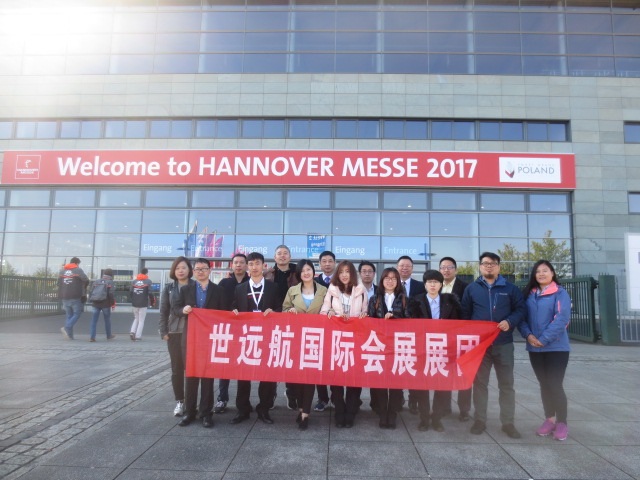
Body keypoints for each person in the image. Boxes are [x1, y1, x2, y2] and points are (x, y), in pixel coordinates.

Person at [461, 252, 526, 439]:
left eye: (493, 263)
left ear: (499, 266)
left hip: (503, 343)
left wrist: (510, 321)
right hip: (480, 346)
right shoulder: (472, 289)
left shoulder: (510, 288)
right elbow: (465, 314)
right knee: (480, 383)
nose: (489, 266)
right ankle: (479, 420)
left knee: (506, 384)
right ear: (480, 266)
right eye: (485, 263)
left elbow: (521, 309)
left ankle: (508, 422)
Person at [518, 260, 571, 441]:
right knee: (544, 384)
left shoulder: (560, 293)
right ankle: (550, 419)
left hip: (556, 347)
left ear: (552, 273)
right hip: (534, 348)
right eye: (538, 271)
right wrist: (528, 336)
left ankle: (562, 422)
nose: (541, 274)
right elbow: (521, 318)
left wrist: (543, 339)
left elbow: (562, 318)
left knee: (555, 383)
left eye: (545, 270)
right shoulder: (529, 294)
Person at [231, 251, 281, 425]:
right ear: (247, 267)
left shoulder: (273, 287)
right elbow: (234, 308)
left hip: (267, 337)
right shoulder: (240, 288)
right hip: (247, 337)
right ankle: (242, 409)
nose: (254, 267)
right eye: (251, 264)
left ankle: (264, 409)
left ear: (263, 265)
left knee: (266, 375)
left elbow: (280, 308)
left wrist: (274, 312)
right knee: (243, 375)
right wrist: (233, 311)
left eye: (257, 263)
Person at [174, 258, 223, 428]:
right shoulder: (186, 289)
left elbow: (223, 312)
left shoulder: (218, 290)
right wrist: (183, 310)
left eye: (203, 269)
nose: (200, 272)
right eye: (197, 269)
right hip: (191, 338)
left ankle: (206, 413)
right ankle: (190, 412)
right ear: (193, 272)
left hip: (210, 338)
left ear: (210, 270)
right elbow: (176, 308)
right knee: (191, 375)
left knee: (208, 377)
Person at [412, 270, 463, 432]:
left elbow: (457, 324)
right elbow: (411, 324)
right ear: (425, 284)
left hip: (444, 350)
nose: (432, 285)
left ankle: (437, 418)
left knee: (442, 385)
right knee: (422, 385)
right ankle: (424, 418)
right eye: (429, 282)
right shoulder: (416, 302)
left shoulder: (450, 302)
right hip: (422, 349)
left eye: (436, 282)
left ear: (441, 285)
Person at [320, 260, 368, 428]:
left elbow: (366, 312)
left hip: (356, 341)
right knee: (337, 379)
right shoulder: (332, 290)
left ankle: (351, 412)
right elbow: (323, 312)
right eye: (341, 272)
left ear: (352, 273)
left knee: (355, 379)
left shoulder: (361, 290)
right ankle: (339, 411)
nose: (344, 275)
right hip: (337, 341)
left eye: (347, 271)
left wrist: (364, 316)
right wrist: (331, 313)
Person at [282, 259, 328, 430]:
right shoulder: (292, 291)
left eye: (308, 270)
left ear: (313, 272)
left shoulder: (323, 290)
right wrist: (290, 311)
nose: (306, 273)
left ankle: (305, 414)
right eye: (302, 271)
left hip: (316, 340)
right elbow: (283, 310)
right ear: (299, 274)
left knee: (310, 378)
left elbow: (330, 308)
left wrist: (329, 312)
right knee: (297, 379)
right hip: (296, 340)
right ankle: (301, 408)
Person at [367, 267, 412, 429]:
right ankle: (382, 412)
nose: (390, 281)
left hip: (398, 345)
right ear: (382, 281)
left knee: (395, 381)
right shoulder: (374, 299)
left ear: (398, 281)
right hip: (379, 345)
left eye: (394, 278)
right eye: (387, 278)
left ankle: (392, 413)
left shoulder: (405, 299)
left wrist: (395, 318)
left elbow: (410, 321)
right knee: (379, 380)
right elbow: (370, 321)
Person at [214, 253, 249, 414]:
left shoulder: (252, 282)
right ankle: (222, 398)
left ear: (246, 265)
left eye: (242, 262)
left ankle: (244, 401)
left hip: (247, 331)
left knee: (244, 366)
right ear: (232, 265)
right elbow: (217, 305)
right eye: (236, 262)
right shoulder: (224, 283)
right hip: (227, 329)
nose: (239, 265)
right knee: (224, 366)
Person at [264, 244, 299, 410]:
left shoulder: (297, 273)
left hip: (293, 321)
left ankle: (291, 393)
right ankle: (270, 394)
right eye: (279, 253)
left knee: (292, 359)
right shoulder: (268, 274)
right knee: (272, 359)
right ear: (275, 257)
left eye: (285, 253)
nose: (282, 256)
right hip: (272, 321)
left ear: (290, 257)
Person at [158, 256, 193, 418]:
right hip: (174, 333)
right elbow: (163, 310)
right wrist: (163, 331)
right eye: (178, 268)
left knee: (191, 369)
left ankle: (192, 401)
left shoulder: (195, 286)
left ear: (189, 270)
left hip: (192, 333)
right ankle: (180, 400)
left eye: (184, 267)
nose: (180, 270)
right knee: (176, 369)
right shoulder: (169, 288)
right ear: (174, 270)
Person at [439, 256, 471, 421]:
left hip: (460, 337)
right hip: (441, 339)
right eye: (443, 267)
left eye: (449, 267)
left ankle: (464, 409)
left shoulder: (466, 288)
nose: (446, 270)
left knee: (463, 373)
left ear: (456, 270)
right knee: (444, 372)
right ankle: (444, 407)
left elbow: (467, 311)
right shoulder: (435, 285)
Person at [396, 255, 426, 413]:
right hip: (396, 334)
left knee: (414, 367)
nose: (404, 268)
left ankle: (413, 399)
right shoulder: (391, 285)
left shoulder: (420, 286)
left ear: (412, 269)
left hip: (415, 334)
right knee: (398, 366)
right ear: (397, 268)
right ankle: (399, 396)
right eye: (402, 265)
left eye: (408, 266)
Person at [313, 250, 336, 412]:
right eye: (324, 261)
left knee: (335, 364)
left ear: (335, 263)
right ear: (320, 264)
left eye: (330, 261)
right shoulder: (313, 282)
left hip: (337, 330)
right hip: (318, 330)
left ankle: (336, 397)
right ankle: (322, 398)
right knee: (318, 366)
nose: (327, 264)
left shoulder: (341, 281)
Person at [58, 256, 89, 340]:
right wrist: (83, 288)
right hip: (75, 295)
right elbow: (86, 280)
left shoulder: (62, 271)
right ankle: (67, 328)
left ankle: (69, 335)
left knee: (69, 315)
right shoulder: (78, 270)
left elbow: (58, 283)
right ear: (77, 263)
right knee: (77, 313)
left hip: (64, 295)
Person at [88, 268, 116, 342]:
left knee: (94, 320)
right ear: (111, 275)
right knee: (107, 320)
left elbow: (91, 291)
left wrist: (91, 300)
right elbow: (111, 294)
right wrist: (112, 303)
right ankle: (109, 335)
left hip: (95, 303)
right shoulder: (110, 282)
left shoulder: (96, 281)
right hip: (105, 304)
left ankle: (92, 337)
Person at [129, 267, 154, 341]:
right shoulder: (148, 281)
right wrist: (152, 302)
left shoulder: (134, 281)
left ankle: (132, 332)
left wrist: (133, 299)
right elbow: (150, 293)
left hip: (134, 303)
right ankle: (138, 336)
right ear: (146, 273)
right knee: (141, 320)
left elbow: (131, 292)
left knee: (136, 318)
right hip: (143, 303)